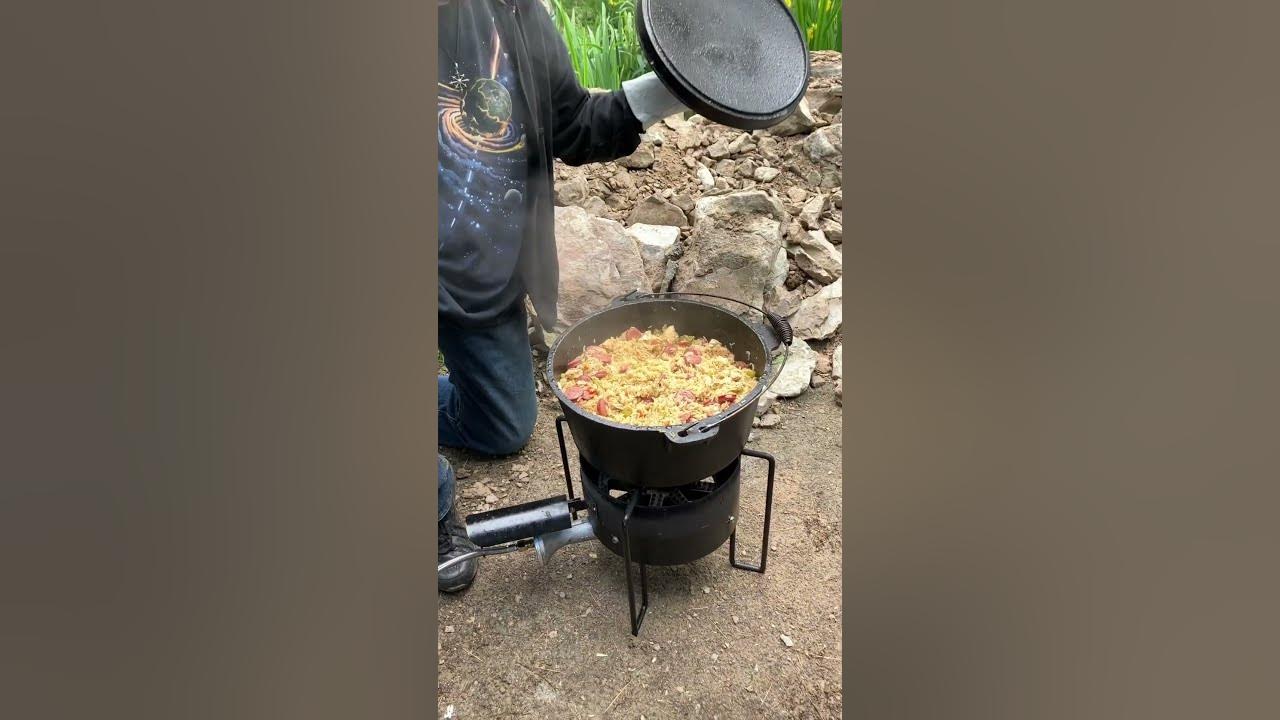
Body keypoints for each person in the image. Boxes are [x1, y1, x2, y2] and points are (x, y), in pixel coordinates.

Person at [436, 0, 686, 593]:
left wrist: (679, 90)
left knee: (505, 427)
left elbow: (573, 123)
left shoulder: (517, 13)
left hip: (480, 272)